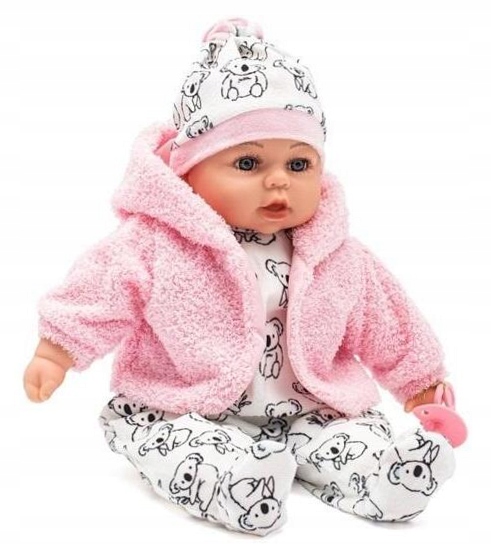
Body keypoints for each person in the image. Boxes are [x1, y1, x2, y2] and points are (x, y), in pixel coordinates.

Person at [23, 18, 456, 536]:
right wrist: (56, 350)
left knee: (352, 436)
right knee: (177, 447)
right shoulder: (155, 243)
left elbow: (388, 320)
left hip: (311, 408)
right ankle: (237, 482)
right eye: (248, 163)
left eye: (299, 165)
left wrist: (421, 383)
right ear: (187, 172)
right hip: (185, 406)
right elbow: (99, 292)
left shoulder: (336, 252)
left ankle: (385, 476)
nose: (279, 181)